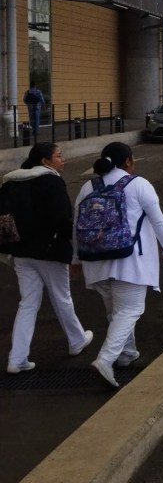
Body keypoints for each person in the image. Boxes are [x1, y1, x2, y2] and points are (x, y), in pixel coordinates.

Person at [74, 142, 163, 388]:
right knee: (129, 311)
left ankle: (127, 354)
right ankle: (105, 360)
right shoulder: (138, 184)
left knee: (116, 312)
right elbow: (158, 220)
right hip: (130, 262)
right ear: (128, 161)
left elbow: (76, 224)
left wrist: (76, 258)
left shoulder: (88, 186)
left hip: (96, 262)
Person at [4, 143, 93, 374]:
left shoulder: (11, 181)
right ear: (45, 161)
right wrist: (75, 248)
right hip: (50, 250)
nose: (62, 160)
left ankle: (17, 358)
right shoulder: (51, 181)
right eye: (58, 156)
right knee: (62, 297)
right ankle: (76, 340)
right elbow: (62, 219)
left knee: (28, 303)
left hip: (21, 252)